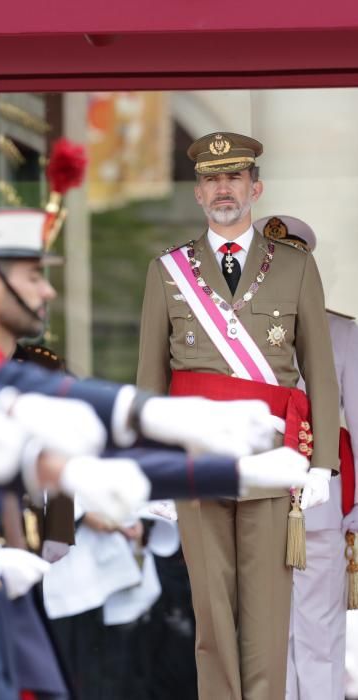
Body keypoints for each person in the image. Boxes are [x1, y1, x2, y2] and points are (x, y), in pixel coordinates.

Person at [136, 132, 341, 700]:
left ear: (256, 188)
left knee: (268, 617)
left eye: (234, 178)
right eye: (211, 179)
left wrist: (322, 464)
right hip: (196, 462)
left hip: (274, 461)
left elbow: (319, 372)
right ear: (198, 194)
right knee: (212, 614)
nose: (223, 189)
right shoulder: (168, 271)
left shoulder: (295, 267)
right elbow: (150, 379)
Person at [255, 214, 358, 700]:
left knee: (319, 636)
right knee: (264, 640)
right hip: (253, 502)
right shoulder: (237, 336)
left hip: (317, 506)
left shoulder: (342, 334)